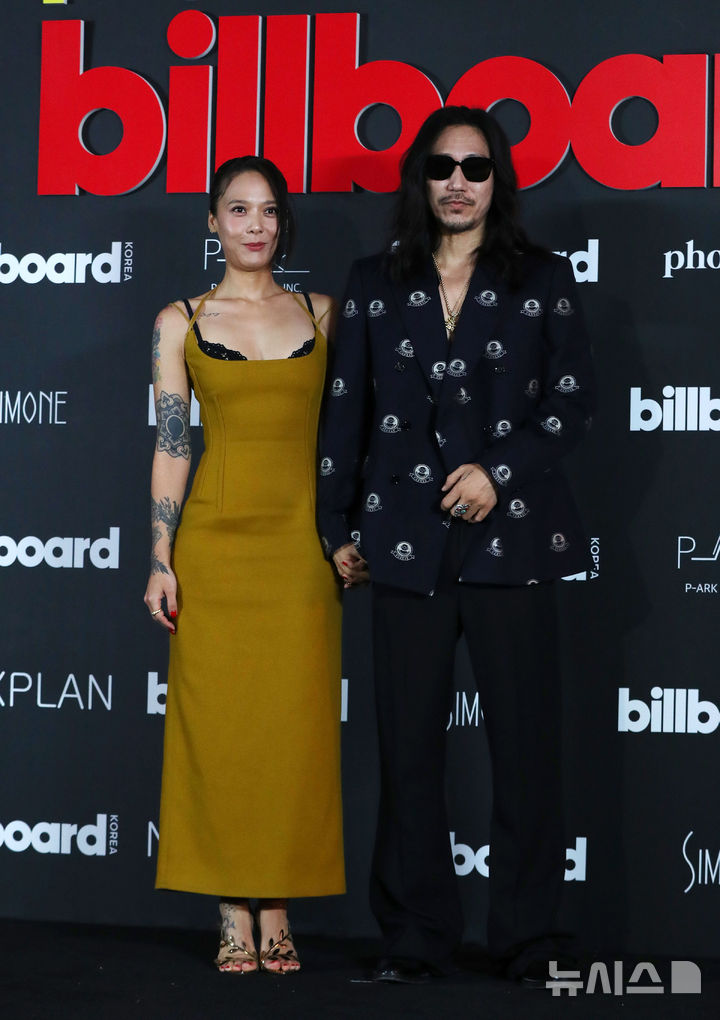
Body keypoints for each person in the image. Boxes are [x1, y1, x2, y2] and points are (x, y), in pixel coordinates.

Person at [317, 106, 594, 984]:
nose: (459, 182)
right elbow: (346, 412)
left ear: (496, 179)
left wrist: (499, 473)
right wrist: (336, 527)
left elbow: (573, 400)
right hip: (402, 543)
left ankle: (530, 936)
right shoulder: (373, 281)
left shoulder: (541, 277)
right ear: (420, 178)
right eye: (442, 166)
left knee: (526, 750)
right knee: (407, 752)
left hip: (515, 541)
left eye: (475, 167)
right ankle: (415, 934)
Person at [143, 156, 344, 975]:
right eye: (237, 209)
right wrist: (161, 557)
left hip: (300, 551)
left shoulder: (324, 313)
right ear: (213, 222)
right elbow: (172, 444)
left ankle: (279, 907)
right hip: (216, 550)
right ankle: (232, 910)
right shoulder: (180, 321)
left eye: (267, 210)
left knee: (293, 732)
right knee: (220, 730)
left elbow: (352, 435)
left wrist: (348, 536)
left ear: (282, 222)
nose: (255, 224)